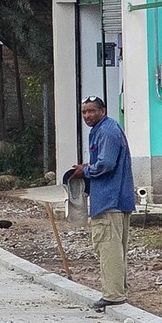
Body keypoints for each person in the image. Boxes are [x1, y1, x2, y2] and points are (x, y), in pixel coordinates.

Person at [64, 96, 136, 310]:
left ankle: (113, 295)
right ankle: (117, 289)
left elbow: (106, 163)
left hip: (109, 200)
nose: (88, 115)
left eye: (92, 111)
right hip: (114, 199)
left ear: (103, 110)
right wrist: (87, 165)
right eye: (84, 112)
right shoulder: (104, 129)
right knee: (115, 247)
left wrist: (85, 171)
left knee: (108, 247)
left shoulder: (107, 130)